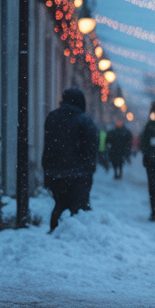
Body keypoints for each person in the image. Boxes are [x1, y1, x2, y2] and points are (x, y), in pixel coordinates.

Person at [41, 87, 98, 232]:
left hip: (55, 173)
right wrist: (89, 168)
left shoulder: (53, 117)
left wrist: (47, 170)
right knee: (78, 209)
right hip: (78, 174)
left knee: (59, 204)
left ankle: (54, 232)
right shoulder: (84, 120)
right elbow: (91, 147)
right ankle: (75, 238)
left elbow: (48, 146)